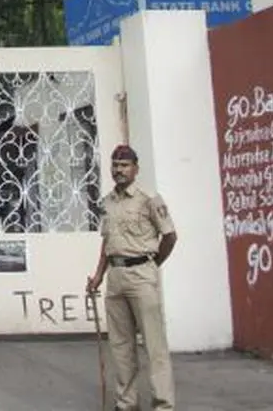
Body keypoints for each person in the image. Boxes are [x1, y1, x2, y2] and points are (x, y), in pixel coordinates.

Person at [86, 144, 178, 411]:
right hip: (115, 276)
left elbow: (170, 237)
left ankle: (163, 404)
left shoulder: (149, 198)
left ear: (136, 168)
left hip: (141, 275)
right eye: (115, 165)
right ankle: (127, 403)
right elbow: (107, 243)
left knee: (154, 344)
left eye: (124, 165)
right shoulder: (107, 202)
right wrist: (98, 276)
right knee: (121, 345)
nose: (119, 170)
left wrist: (152, 264)